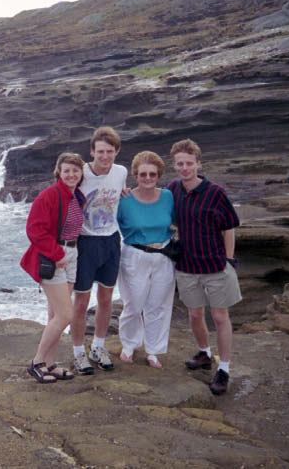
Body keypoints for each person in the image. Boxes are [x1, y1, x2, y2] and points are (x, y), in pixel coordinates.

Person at [168, 138, 241, 395]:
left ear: (198, 163)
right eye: (180, 164)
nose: (184, 168)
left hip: (215, 265)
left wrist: (229, 260)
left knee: (220, 317)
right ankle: (204, 354)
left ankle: (224, 369)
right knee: (195, 315)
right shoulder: (173, 189)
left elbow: (229, 227)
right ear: (174, 165)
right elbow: (154, 205)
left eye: (189, 163)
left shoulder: (216, 192)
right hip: (187, 265)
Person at [20, 152, 86, 383]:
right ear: (59, 172)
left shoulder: (77, 195)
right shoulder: (49, 195)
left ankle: (49, 364)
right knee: (66, 315)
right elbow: (34, 229)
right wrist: (56, 254)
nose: (71, 175)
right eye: (67, 171)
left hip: (72, 254)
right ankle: (37, 362)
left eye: (75, 171)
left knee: (55, 314)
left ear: (81, 173)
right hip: (55, 256)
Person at [71, 127, 127, 375]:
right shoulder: (80, 173)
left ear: (116, 152)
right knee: (81, 302)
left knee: (105, 300)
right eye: (100, 151)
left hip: (111, 241)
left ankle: (98, 347)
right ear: (92, 151)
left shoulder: (121, 172)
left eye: (110, 151)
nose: (105, 156)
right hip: (86, 242)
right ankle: (78, 352)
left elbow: (120, 195)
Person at [116, 151, 176, 369]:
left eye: (152, 174)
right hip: (134, 255)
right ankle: (129, 345)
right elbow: (105, 223)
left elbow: (181, 220)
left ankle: (153, 350)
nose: (148, 178)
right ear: (135, 175)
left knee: (158, 305)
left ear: (159, 175)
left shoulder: (168, 197)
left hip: (164, 256)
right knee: (133, 304)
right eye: (143, 174)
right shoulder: (124, 200)